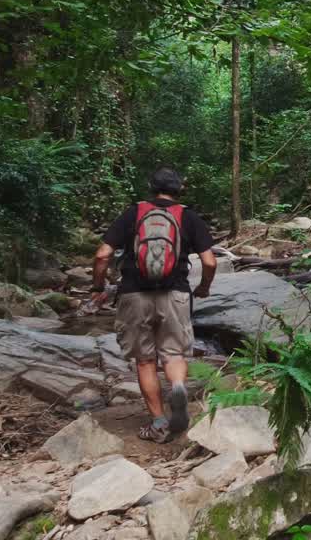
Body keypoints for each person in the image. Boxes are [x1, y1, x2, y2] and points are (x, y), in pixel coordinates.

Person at [88, 167, 216, 443]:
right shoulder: (189, 216)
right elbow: (209, 261)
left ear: (151, 186)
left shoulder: (134, 213)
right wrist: (204, 287)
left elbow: (102, 255)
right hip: (175, 294)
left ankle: (158, 423)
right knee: (174, 353)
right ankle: (178, 386)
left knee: (145, 360)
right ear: (179, 188)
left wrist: (98, 286)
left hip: (134, 294)